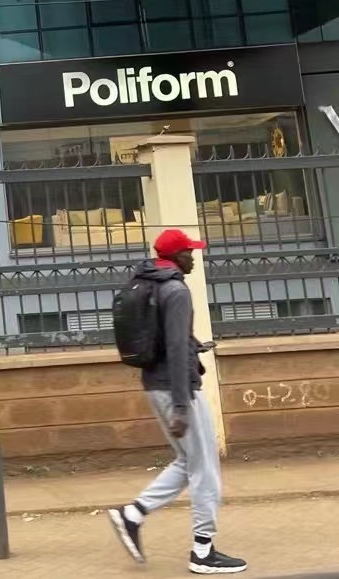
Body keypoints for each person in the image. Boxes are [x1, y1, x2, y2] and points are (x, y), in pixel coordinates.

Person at [107, 230, 246, 575]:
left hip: (156, 383)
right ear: (176, 257)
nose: (193, 258)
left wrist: (194, 347)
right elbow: (174, 347)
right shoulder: (176, 290)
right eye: (189, 252)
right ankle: (203, 551)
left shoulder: (148, 281)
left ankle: (132, 514)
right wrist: (182, 406)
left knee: (189, 461)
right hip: (177, 389)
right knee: (205, 469)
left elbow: (167, 338)